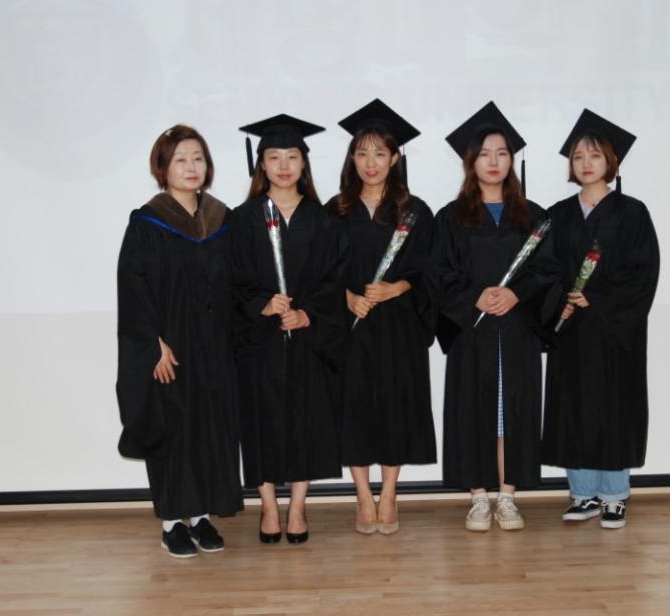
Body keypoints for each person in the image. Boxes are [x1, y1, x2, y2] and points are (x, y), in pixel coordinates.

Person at [116, 124, 242, 558]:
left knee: (210, 427)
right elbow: (133, 288)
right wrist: (153, 343)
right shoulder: (147, 222)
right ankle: (172, 522)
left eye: (198, 158)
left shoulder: (223, 220)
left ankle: (201, 515)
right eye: (180, 159)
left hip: (216, 346)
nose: (191, 167)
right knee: (175, 430)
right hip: (171, 346)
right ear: (163, 168)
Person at [437, 102, 559, 532]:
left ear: (512, 160)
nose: (493, 161)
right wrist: (475, 296)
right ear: (471, 162)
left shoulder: (534, 217)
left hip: (517, 330)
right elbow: (440, 273)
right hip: (473, 334)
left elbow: (549, 271)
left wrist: (516, 293)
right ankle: (478, 497)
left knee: (513, 414)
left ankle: (507, 496)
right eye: (484, 154)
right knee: (474, 412)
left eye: (502, 153)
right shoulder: (451, 217)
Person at [542, 109, 660, 529]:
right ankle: (583, 493)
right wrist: (560, 300)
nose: (586, 163)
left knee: (614, 407)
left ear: (612, 161)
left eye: (594, 155)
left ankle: (614, 495)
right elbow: (545, 270)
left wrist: (597, 298)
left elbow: (643, 274)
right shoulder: (557, 214)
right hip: (572, 330)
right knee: (573, 408)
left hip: (613, 332)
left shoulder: (633, 212)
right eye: (578, 156)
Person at [233, 114, 346, 544]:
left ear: (304, 163)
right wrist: (261, 305)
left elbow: (336, 280)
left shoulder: (324, 221)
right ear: (261, 163)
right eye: (274, 157)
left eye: (292, 156)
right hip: (259, 342)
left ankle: (298, 506)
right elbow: (230, 280)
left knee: (306, 421)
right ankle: (267, 505)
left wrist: (309, 314)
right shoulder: (241, 220)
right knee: (260, 420)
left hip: (306, 341)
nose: (283, 166)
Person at [327, 99, 437, 535]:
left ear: (395, 158)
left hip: (398, 325)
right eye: (362, 153)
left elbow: (431, 269)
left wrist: (398, 288)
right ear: (352, 158)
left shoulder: (415, 211)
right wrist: (346, 297)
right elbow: (317, 272)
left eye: (379, 153)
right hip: (352, 326)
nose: (370, 162)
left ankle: (389, 493)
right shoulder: (335, 210)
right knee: (353, 405)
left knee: (395, 406)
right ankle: (362, 495)